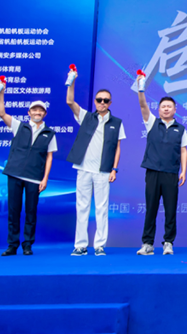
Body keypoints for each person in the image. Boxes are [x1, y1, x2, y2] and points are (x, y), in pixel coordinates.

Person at [66, 76, 125, 256]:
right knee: (82, 207)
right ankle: (80, 245)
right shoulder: (85, 117)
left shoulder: (117, 122)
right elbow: (70, 101)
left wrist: (114, 169)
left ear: (110, 103)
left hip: (104, 171)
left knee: (101, 208)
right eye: (99, 100)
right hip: (83, 168)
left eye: (106, 100)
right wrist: (72, 80)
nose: (102, 103)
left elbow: (118, 148)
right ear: (95, 101)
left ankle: (99, 245)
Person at [0, 89, 56, 256]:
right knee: (13, 210)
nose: (37, 112)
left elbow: (49, 157)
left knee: (31, 212)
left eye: (40, 110)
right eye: (34, 110)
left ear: (45, 113)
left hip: (35, 178)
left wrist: (45, 179)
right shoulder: (19, 126)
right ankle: (12, 245)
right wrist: (1, 93)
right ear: (29, 112)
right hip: (15, 174)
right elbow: (1, 113)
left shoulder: (50, 133)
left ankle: (27, 244)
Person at [136, 78, 187, 256]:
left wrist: (184, 171)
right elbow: (143, 105)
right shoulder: (152, 122)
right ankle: (147, 243)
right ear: (159, 109)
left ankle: (168, 242)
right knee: (151, 208)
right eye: (163, 106)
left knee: (170, 209)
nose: (166, 109)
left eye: (169, 106)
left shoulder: (180, 129)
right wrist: (141, 89)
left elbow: (183, 151)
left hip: (171, 173)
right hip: (152, 172)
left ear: (175, 109)